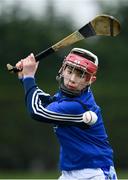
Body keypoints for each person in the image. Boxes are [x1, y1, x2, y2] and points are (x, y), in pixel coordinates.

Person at [16, 48, 118, 179]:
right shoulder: (70, 97)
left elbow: (37, 111)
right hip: (70, 173)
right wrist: (24, 78)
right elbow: (47, 101)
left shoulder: (78, 106)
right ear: (62, 69)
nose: (72, 79)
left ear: (91, 80)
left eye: (81, 75)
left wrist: (29, 77)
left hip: (94, 173)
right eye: (70, 71)